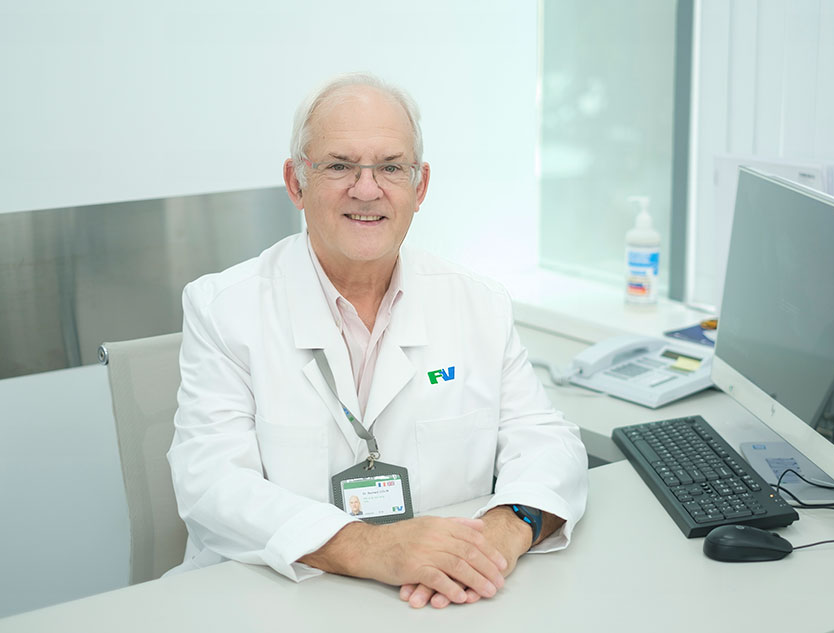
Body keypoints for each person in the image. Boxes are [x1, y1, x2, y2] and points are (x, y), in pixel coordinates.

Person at [166, 73, 588, 609]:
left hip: (437, 603)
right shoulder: (224, 308)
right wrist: (369, 546)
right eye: (339, 166)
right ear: (296, 183)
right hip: (274, 600)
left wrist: (506, 530)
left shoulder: (479, 303)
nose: (366, 190)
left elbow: (548, 441)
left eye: (391, 167)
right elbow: (211, 483)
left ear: (420, 186)